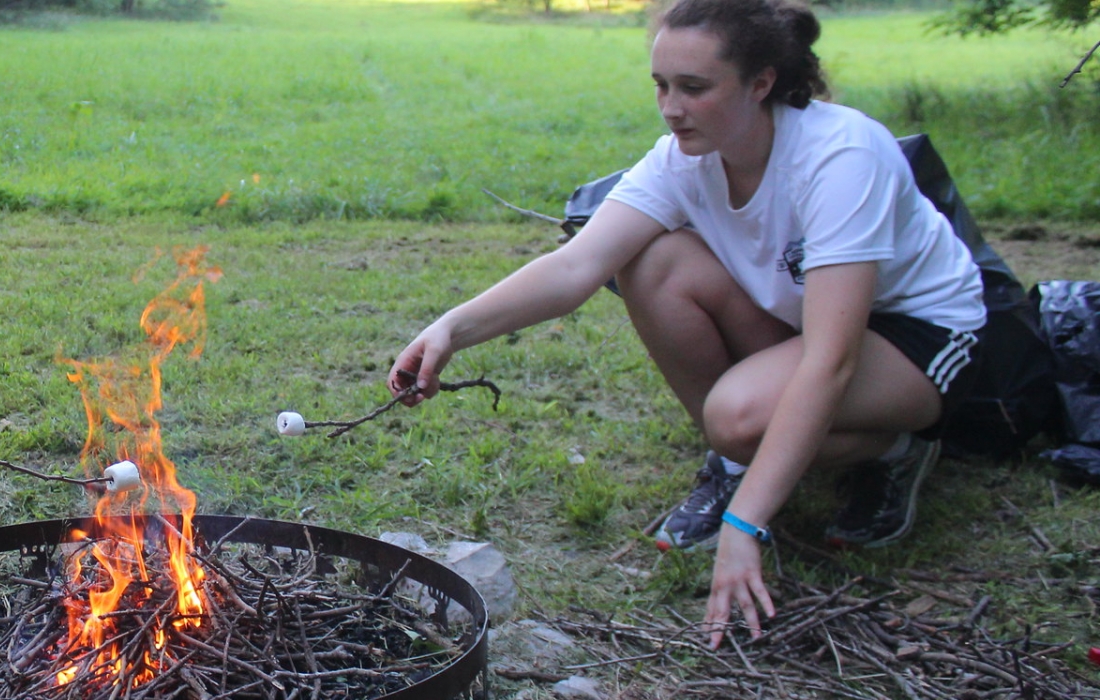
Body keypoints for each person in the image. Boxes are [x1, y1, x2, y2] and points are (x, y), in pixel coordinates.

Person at [388, 0, 987, 648]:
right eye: (661, 86)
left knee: (736, 416)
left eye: (694, 88)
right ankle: (741, 457)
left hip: (914, 334)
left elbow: (832, 362)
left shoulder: (839, 157)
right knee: (650, 262)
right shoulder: (684, 157)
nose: (671, 108)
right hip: (804, 318)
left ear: (760, 83)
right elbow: (576, 266)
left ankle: (894, 449)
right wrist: (451, 328)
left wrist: (746, 523)